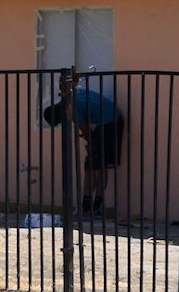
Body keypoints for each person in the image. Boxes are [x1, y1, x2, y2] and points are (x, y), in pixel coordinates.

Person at [41, 85, 124, 216]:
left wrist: (91, 143)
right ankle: (91, 207)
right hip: (109, 121)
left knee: (95, 166)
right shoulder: (71, 96)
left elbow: (84, 128)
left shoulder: (70, 109)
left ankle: (89, 209)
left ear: (60, 113)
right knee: (98, 165)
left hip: (109, 123)